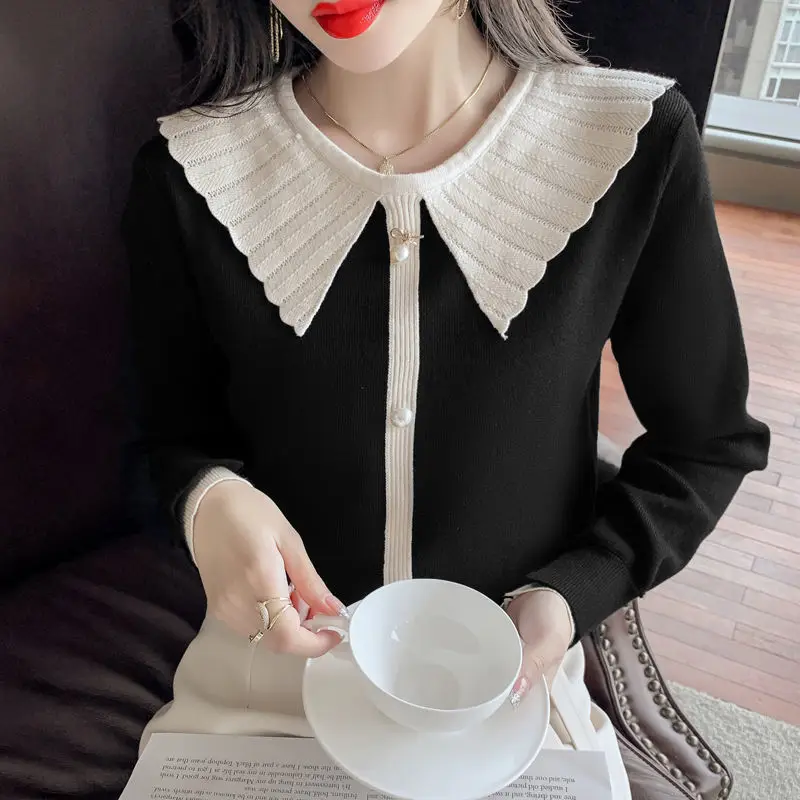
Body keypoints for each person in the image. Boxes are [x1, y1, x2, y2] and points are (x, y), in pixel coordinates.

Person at [123, 0, 770, 795]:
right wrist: (206, 500)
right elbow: (163, 437)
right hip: (264, 688)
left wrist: (572, 594)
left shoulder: (632, 142)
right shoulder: (187, 170)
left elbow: (708, 443)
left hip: (509, 701)